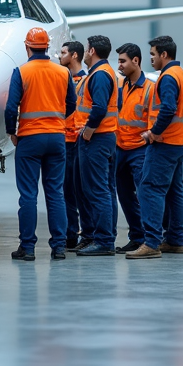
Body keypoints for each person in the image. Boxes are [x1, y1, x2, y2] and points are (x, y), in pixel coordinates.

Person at [4, 27, 77, 261]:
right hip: (57, 138)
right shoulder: (62, 72)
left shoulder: (22, 72)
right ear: (47, 47)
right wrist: (56, 121)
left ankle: (28, 247)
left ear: (27, 47)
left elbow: (10, 107)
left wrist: (11, 132)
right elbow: (72, 104)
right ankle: (59, 247)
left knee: (28, 194)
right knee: (55, 193)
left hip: (30, 139)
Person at [128, 35, 183, 259]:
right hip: (180, 143)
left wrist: (154, 133)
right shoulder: (182, 75)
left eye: (153, 54)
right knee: (175, 191)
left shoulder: (167, 78)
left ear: (164, 55)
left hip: (165, 143)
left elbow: (168, 109)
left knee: (149, 188)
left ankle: (152, 242)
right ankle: (175, 240)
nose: (151, 59)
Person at [75, 34, 119, 257]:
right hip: (105, 138)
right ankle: (106, 237)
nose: (84, 51)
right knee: (106, 189)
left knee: (97, 189)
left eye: (86, 48)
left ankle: (103, 241)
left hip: (97, 139)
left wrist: (88, 131)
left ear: (91, 51)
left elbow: (100, 108)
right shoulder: (103, 72)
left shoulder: (100, 75)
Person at [114, 43, 154, 254]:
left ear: (136, 61)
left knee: (144, 195)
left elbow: (154, 119)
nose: (119, 65)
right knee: (125, 196)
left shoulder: (150, 88)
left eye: (122, 61)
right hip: (120, 147)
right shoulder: (120, 85)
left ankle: (149, 239)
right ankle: (136, 237)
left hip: (140, 149)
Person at [59, 40, 89, 250]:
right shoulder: (63, 78)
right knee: (66, 191)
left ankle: (87, 233)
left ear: (74, 56)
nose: (59, 57)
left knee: (80, 191)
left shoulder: (86, 81)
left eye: (63, 53)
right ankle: (71, 233)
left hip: (79, 141)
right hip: (64, 140)